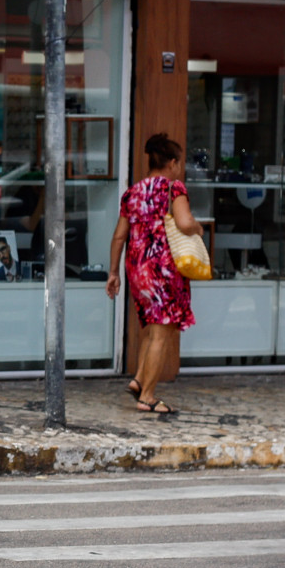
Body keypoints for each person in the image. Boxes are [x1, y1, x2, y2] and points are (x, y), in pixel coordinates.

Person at [106, 133, 203, 415]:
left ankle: (139, 379)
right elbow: (184, 223)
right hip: (163, 270)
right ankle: (147, 396)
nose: (179, 169)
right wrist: (197, 228)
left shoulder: (132, 193)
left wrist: (113, 272)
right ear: (172, 162)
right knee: (162, 333)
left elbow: (118, 236)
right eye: (179, 163)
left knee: (150, 328)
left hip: (138, 269)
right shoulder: (173, 189)